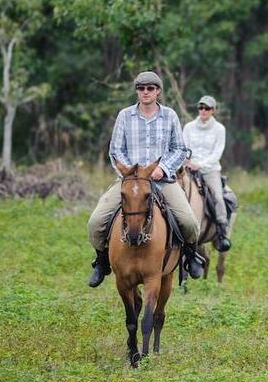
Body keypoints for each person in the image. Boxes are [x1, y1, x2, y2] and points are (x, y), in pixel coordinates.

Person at [86, 71, 203, 287]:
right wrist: (131, 173)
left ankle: (191, 256)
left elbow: (179, 149)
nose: (145, 92)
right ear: (137, 92)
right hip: (130, 183)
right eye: (141, 88)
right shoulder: (124, 116)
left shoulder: (170, 116)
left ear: (158, 91)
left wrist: (163, 168)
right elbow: (115, 150)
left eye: (150, 88)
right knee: (95, 222)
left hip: (162, 181)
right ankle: (101, 261)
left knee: (189, 221)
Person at [183, 95, 231, 252]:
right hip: (189, 169)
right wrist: (188, 162)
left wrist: (200, 164)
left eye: (207, 108)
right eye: (201, 107)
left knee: (218, 197)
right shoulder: (188, 127)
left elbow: (217, 153)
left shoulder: (219, 129)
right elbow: (184, 147)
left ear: (213, 110)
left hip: (210, 170)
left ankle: (221, 230)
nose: (203, 110)